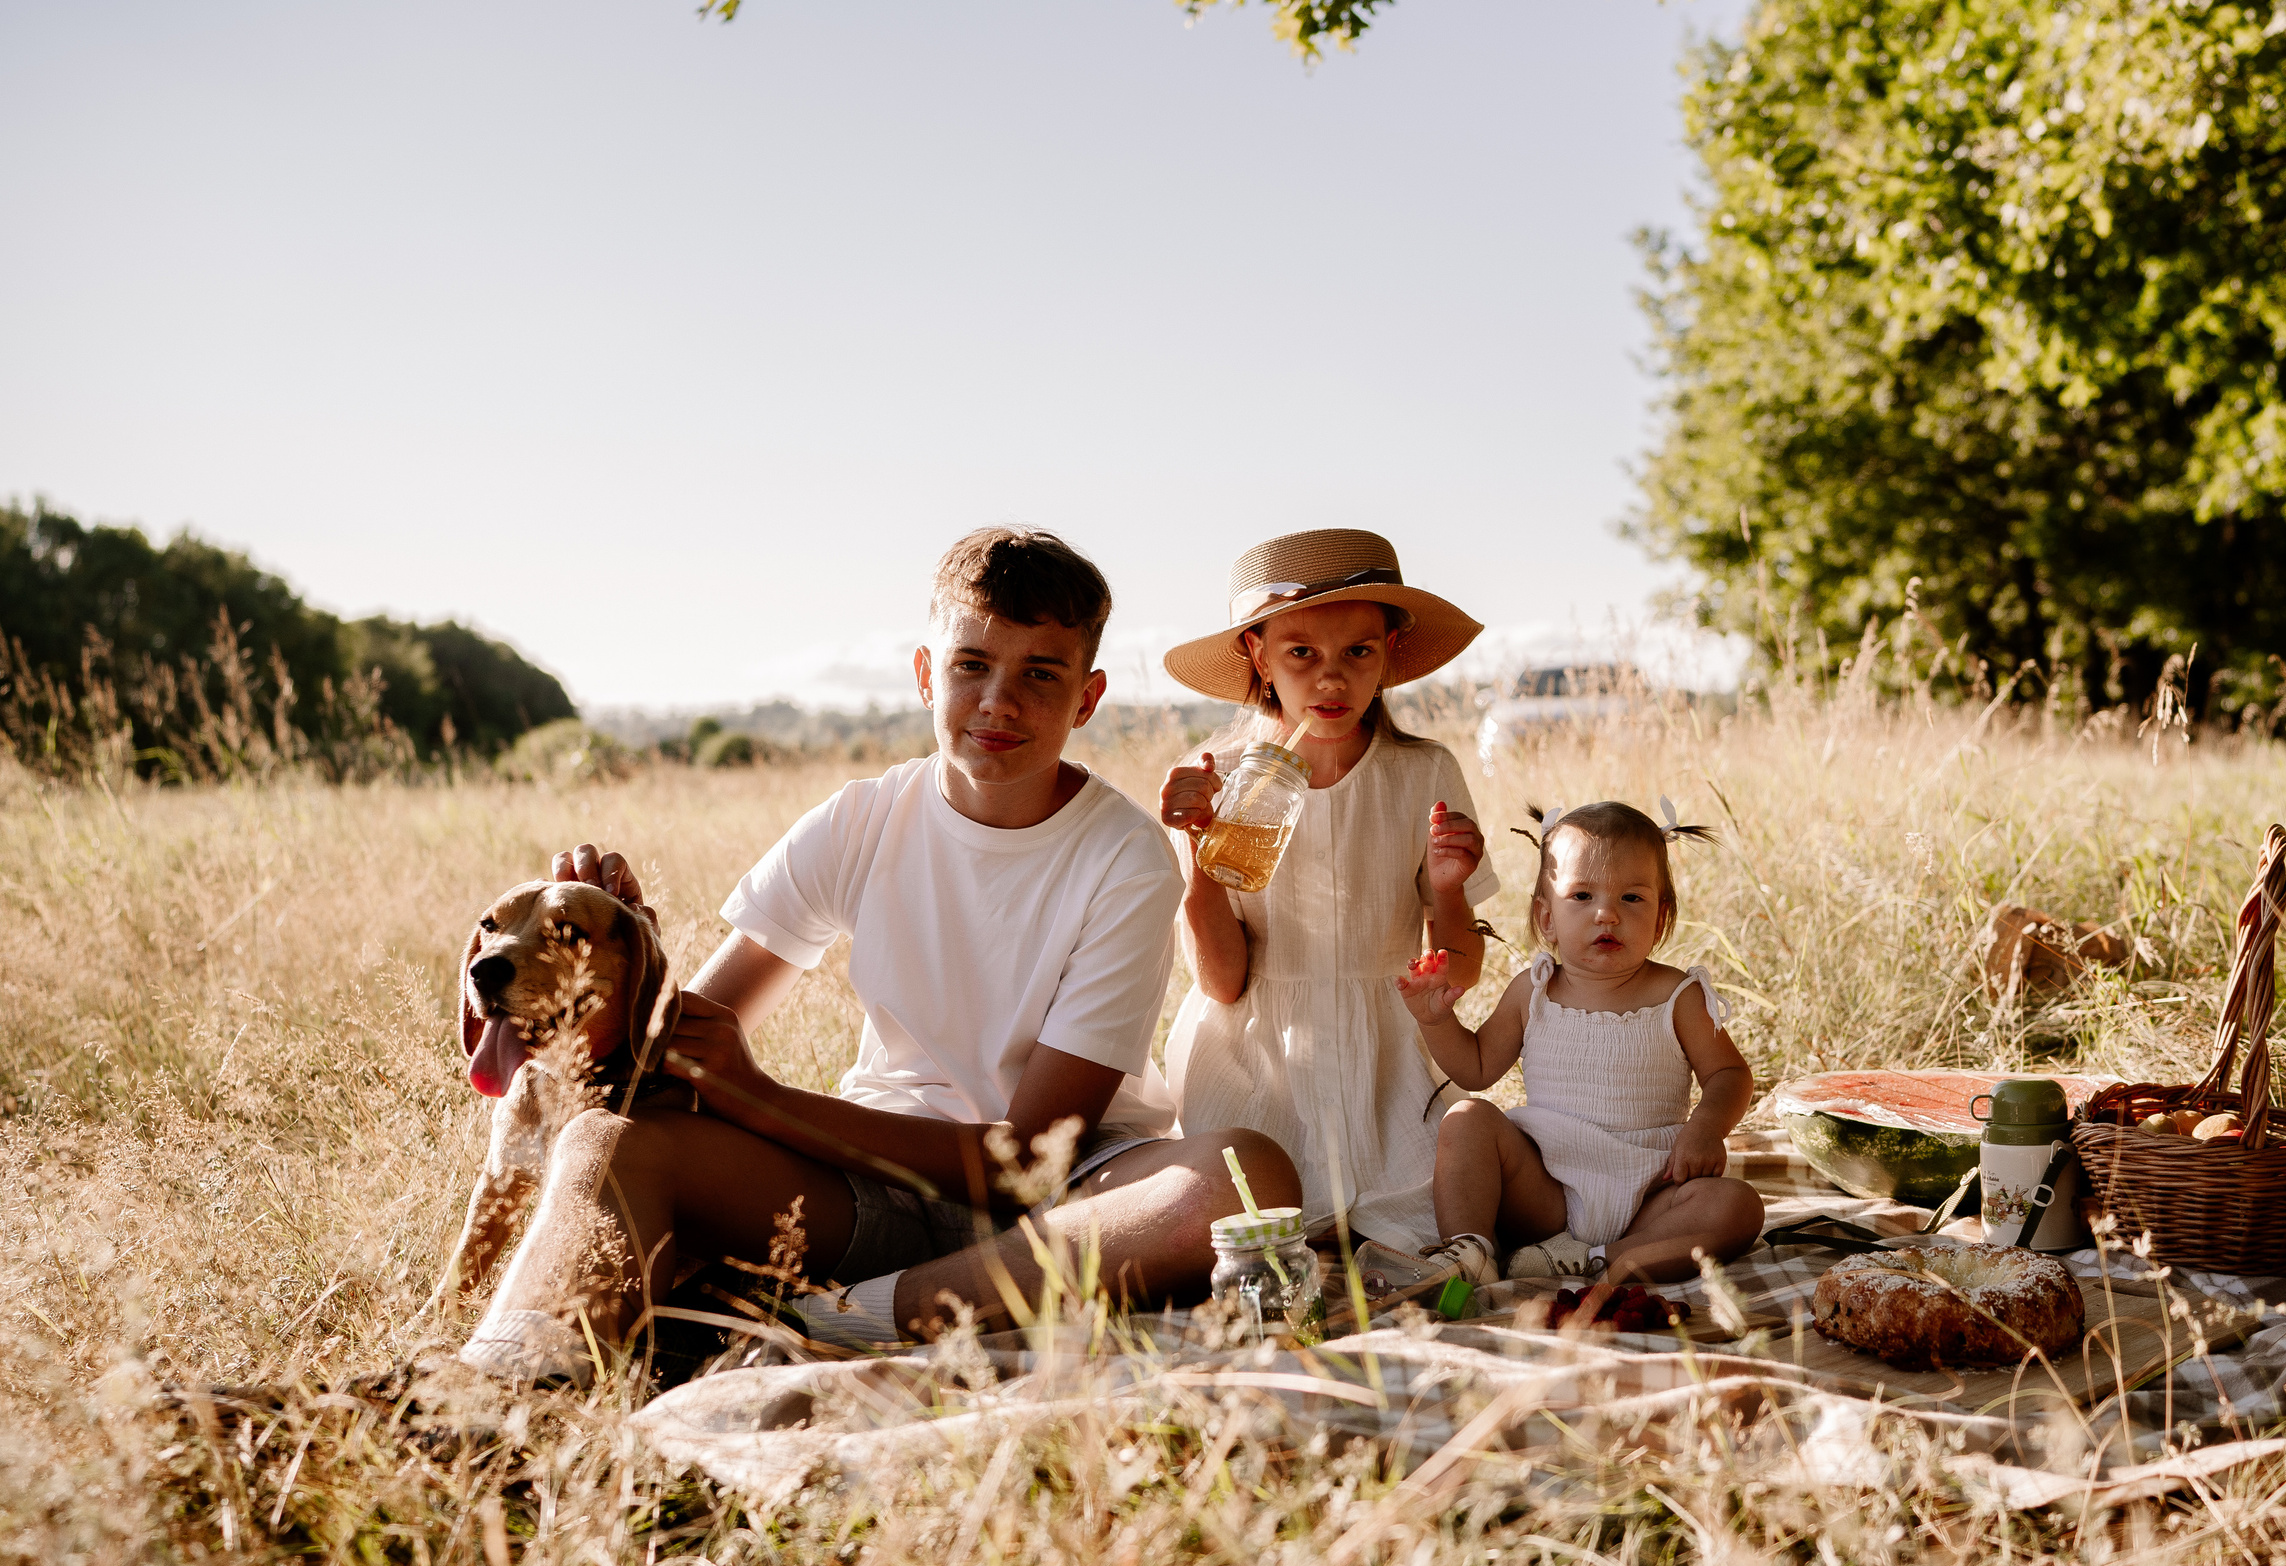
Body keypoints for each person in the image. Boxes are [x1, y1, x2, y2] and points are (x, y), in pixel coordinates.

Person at [457, 527, 1296, 1384]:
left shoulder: (1122, 855)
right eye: (972, 665)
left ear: (1086, 698)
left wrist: (762, 1098)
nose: (998, 701)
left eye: (1040, 673)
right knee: (611, 1137)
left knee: (1243, 1171)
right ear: (929, 673)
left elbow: (1024, 1161)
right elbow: (660, 1065)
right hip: (868, 1187)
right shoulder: (864, 817)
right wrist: (629, 949)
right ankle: (496, 1393)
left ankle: (842, 1317)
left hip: (1071, 1195)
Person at [1154, 528, 1498, 1252]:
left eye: (1357, 652)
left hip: (1390, 1065)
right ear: (1258, 653)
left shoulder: (1422, 773)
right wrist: (1199, 854)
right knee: (1243, 1225)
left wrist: (1450, 891)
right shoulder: (1221, 780)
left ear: (1391, 651)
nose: (1331, 679)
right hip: (1255, 1064)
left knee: (1453, 1206)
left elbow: (1458, 972)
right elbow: (1222, 982)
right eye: (1301, 653)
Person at [1392, 801, 1763, 1287]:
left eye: (1632, 898)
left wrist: (1705, 1127)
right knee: (1467, 1120)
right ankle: (1469, 1252)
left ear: (1661, 917)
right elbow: (1476, 1069)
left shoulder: (1679, 996)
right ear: (1546, 918)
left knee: (1737, 1207)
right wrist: (1436, 1022)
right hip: (1544, 1188)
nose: (1606, 914)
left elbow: (1730, 1075)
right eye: (1582, 896)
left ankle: (1598, 1259)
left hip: (1650, 1189)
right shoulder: (1534, 990)